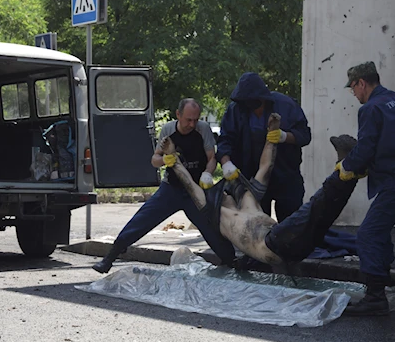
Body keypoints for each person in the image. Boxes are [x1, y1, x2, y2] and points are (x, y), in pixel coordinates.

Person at [159, 111, 363, 276]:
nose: (226, 192)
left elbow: (266, 166)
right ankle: (346, 167)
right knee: (313, 208)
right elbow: (190, 186)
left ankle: (350, 170)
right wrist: (172, 159)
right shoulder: (216, 214)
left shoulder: (249, 201)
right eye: (223, 192)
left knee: (324, 215)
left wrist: (272, 136)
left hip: (287, 241)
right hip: (273, 245)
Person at [92, 98, 235, 274]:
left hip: (195, 191)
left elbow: (212, 157)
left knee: (210, 227)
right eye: (188, 120)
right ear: (178, 115)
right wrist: (164, 160)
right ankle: (110, 258)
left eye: (195, 120)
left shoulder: (203, 129)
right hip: (171, 189)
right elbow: (154, 160)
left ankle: (231, 262)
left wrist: (207, 174)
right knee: (142, 220)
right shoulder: (168, 130)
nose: (192, 124)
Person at [340, 62, 395, 316]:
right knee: (379, 228)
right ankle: (382, 279)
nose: (354, 94)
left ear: (361, 83)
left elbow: (366, 148)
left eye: (353, 89)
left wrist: (347, 166)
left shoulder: (370, 109)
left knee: (367, 233)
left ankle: (375, 297)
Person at [217, 72, 311, 222]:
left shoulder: (286, 106)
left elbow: (305, 135)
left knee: (292, 225)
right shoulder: (236, 110)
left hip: (286, 175)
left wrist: (284, 136)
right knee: (257, 225)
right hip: (252, 178)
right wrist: (226, 163)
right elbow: (225, 140)